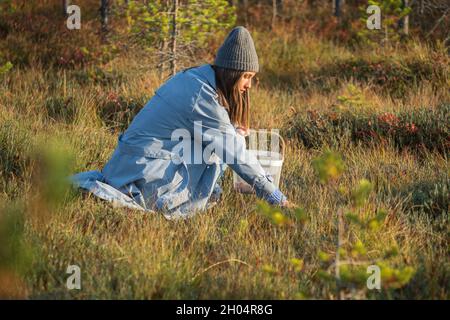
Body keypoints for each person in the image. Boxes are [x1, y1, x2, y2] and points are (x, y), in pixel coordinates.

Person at [70, 26, 290, 219]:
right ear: (232, 74)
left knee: (223, 141)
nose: (249, 85)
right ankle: (169, 199)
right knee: (222, 147)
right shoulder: (202, 98)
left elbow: (226, 140)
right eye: (247, 76)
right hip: (142, 176)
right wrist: (273, 195)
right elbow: (233, 151)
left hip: (131, 165)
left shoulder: (197, 79)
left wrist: (233, 133)